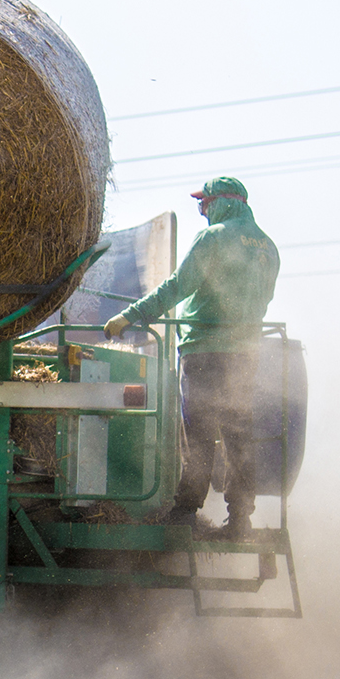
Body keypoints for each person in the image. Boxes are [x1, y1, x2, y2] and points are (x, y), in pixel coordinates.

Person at [103, 176, 280, 539]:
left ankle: (185, 513)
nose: (201, 211)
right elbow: (265, 300)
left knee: (199, 433)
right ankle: (240, 520)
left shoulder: (213, 238)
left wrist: (130, 316)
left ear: (222, 202)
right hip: (246, 353)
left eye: (204, 204)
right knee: (238, 435)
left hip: (204, 350)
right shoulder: (268, 247)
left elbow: (178, 286)